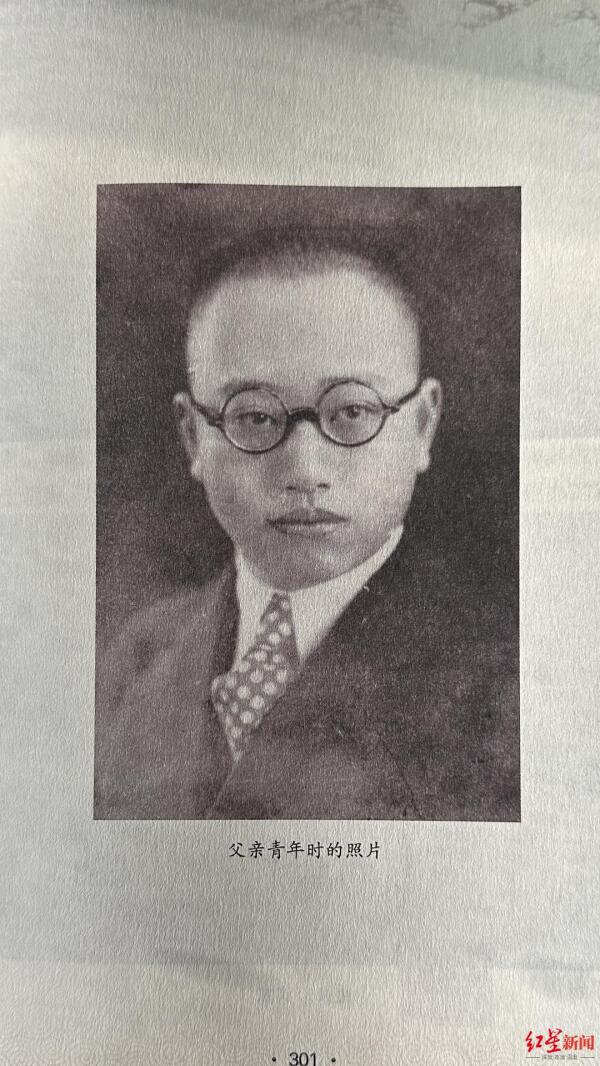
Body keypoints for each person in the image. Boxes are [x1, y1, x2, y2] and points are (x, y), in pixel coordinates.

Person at [94, 234, 519, 821]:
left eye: (353, 411)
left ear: (422, 425)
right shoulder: (135, 658)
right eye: (253, 416)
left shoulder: (507, 680)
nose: (304, 471)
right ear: (193, 438)